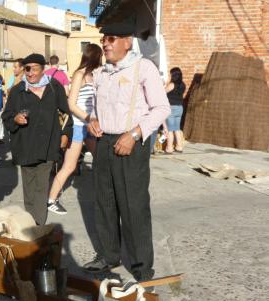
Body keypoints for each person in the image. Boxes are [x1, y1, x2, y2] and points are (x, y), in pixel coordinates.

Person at [84, 21, 170, 283]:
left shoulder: (143, 68)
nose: (105, 44)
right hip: (105, 143)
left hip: (132, 142)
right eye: (103, 40)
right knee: (104, 202)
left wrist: (134, 134)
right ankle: (109, 256)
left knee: (133, 205)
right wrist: (93, 119)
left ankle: (142, 265)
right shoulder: (101, 73)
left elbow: (161, 108)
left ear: (127, 41)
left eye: (111, 39)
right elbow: (96, 108)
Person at [2, 53, 73, 225]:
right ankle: (31, 223)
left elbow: (65, 113)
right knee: (29, 187)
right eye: (27, 69)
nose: (31, 73)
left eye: (35, 69)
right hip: (25, 145)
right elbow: (6, 117)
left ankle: (37, 225)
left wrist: (65, 135)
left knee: (41, 186)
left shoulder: (54, 87)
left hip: (48, 145)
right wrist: (15, 119)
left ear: (43, 70)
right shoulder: (18, 91)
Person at [47, 44, 102, 215]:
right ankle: (51, 200)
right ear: (95, 56)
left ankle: (104, 197)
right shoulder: (79, 74)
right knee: (69, 166)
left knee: (102, 161)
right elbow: (71, 103)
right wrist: (89, 119)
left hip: (91, 126)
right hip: (79, 126)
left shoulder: (96, 75)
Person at [164, 67, 186, 153]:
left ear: (173, 75)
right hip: (179, 107)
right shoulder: (183, 84)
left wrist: (165, 84)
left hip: (171, 108)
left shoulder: (172, 84)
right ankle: (179, 147)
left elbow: (162, 92)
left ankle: (169, 148)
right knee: (177, 128)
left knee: (170, 129)